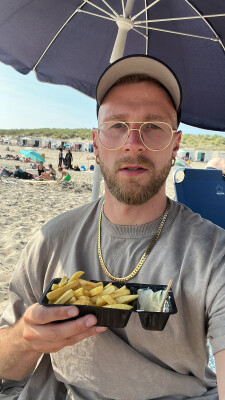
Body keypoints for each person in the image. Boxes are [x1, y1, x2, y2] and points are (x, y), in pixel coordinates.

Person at [0, 55, 225, 400]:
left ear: (175, 145)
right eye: (117, 125)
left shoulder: (213, 254)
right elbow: (7, 368)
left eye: (153, 126)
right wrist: (25, 338)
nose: (133, 142)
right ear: (96, 141)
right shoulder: (51, 239)